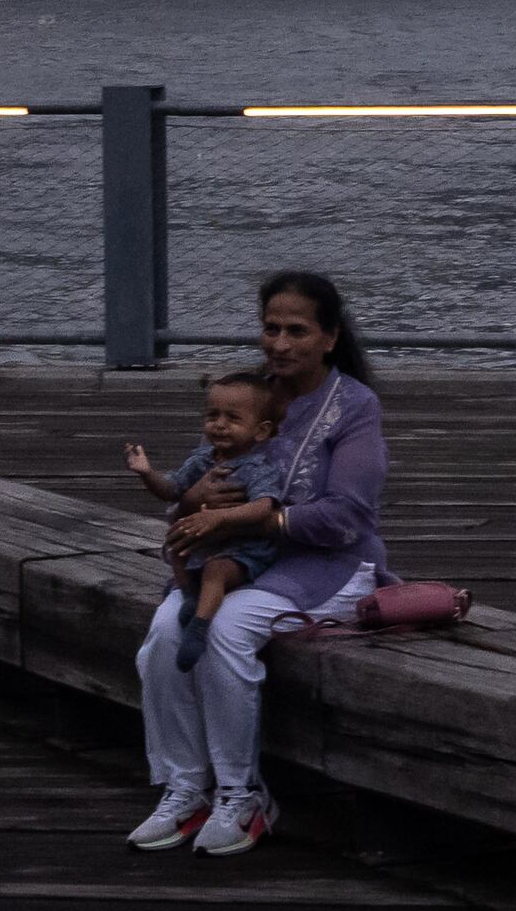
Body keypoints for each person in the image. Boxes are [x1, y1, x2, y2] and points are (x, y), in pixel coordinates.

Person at [129, 268, 389, 859]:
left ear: (330, 336)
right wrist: (197, 504)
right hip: (238, 561)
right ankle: (185, 786)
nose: (279, 343)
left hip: (328, 562)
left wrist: (244, 520)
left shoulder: (354, 407)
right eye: (270, 328)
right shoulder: (247, 395)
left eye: (297, 330)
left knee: (226, 628)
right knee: (166, 633)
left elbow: (347, 516)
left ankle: (242, 793)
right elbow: (194, 482)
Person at [126, 366, 293, 663]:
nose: (219, 425)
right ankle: (190, 597)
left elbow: (265, 506)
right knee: (176, 548)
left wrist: (219, 518)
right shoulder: (202, 459)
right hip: (207, 540)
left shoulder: (258, 468)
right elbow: (172, 488)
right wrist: (146, 473)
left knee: (216, 570)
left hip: (243, 549)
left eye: (233, 418)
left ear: (261, 430)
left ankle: (199, 628)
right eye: (212, 416)